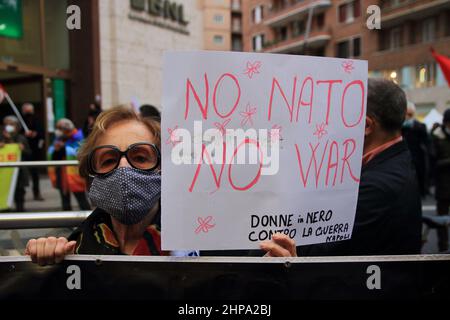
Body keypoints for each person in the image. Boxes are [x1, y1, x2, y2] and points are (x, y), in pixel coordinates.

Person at [26, 106, 296, 265]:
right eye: (108, 159)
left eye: (140, 157)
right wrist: (43, 265)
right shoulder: (72, 248)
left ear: (163, 167)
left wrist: (273, 276)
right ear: (90, 172)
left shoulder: (208, 240)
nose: (124, 168)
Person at [299, 78, 422, 256]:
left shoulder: (378, 185)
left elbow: (326, 252)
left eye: (343, 115)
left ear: (365, 125)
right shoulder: (396, 157)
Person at [48, 118, 90, 211]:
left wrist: (64, 148)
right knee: (64, 198)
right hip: (62, 173)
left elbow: (80, 152)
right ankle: (67, 221)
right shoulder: (58, 139)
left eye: (59, 128)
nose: (58, 131)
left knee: (81, 198)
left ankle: (88, 220)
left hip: (75, 174)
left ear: (65, 129)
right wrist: (56, 150)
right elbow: (54, 156)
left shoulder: (78, 137)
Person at [0, 116, 31, 212]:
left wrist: (23, 149)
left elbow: (29, 154)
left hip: (19, 173)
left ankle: (20, 212)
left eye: (11, 124)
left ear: (17, 126)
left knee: (19, 195)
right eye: (7, 124)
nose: (9, 126)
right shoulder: (1, 138)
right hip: (3, 174)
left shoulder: (21, 138)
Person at [430, 109, 450, 252]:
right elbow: (432, 163)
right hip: (443, 186)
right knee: (442, 220)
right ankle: (442, 249)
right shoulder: (436, 136)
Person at [402, 102, 430, 198]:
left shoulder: (420, 127)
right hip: (403, 162)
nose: (407, 117)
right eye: (405, 114)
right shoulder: (399, 128)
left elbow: (427, 146)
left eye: (409, 114)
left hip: (417, 161)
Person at [21, 103, 45, 201]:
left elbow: (41, 133)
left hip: (35, 150)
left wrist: (35, 134)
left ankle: (36, 193)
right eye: (27, 110)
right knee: (21, 173)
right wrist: (24, 134)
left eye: (30, 110)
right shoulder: (20, 120)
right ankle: (20, 196)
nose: (29, 112)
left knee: (35, 173)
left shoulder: (37, 119)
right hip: (23, 150)